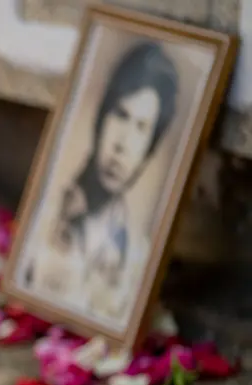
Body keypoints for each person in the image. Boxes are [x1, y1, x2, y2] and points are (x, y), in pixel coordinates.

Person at [19, 40, 178, 326]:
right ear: (101, 119)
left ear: (149, 149)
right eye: (121, 115)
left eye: (142, 128)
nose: (123, 145)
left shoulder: (135, 256)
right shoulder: (45, 211)